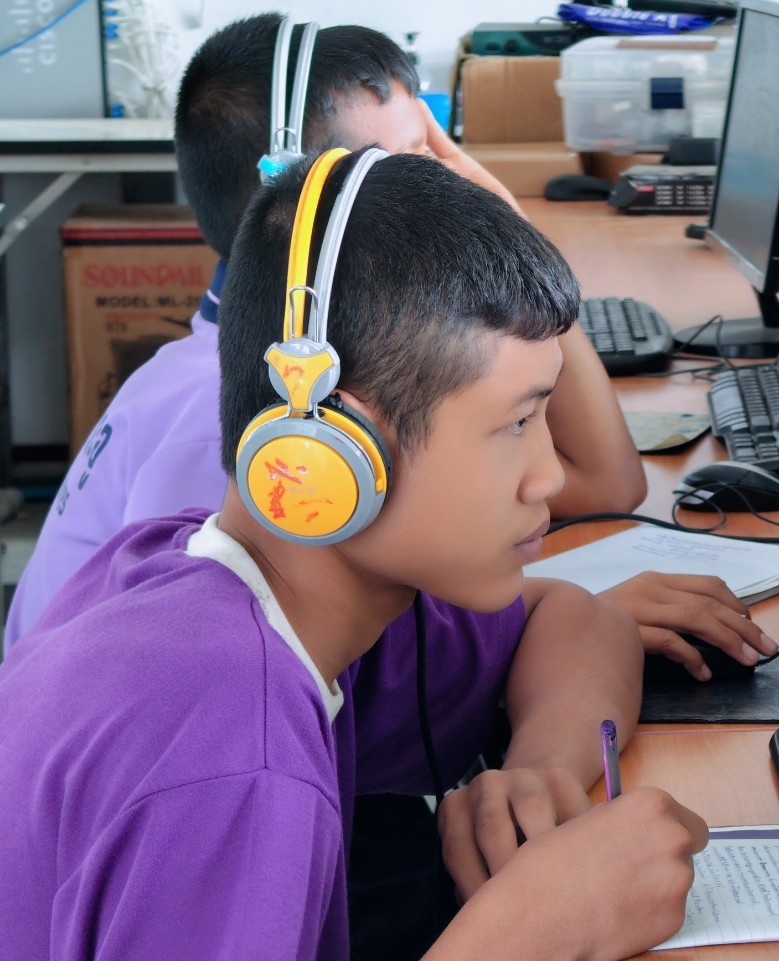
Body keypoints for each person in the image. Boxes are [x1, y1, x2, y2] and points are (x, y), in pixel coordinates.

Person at [0, 147, 709, 960]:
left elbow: (577, 618)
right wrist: (539, 926)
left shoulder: (214, 581)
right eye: (517, 422)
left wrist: (537, 771)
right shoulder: (237, 762)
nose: (549, 474)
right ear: (332, 452)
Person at [3, 13, 776, 681]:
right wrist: (561, 622)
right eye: (411, 165)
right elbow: (189, 667)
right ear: (302, 200)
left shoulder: (272, 365)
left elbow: (606, 486)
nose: (449, 184)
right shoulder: (260, 422)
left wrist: (505, 245)